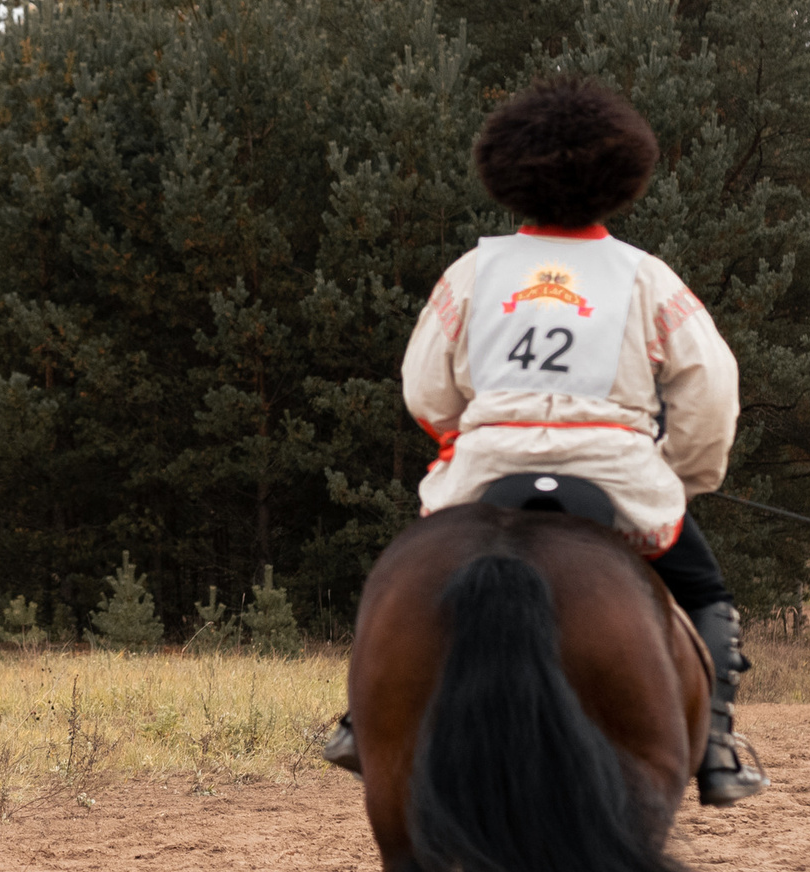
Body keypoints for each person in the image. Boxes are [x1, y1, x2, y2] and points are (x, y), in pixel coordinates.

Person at [327, 76, 767, 804]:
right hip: (615, 475)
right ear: (619, 176)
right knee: (705, 590)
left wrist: (463, 437)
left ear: (511, 172)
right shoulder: (648, 278)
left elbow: (424, 387)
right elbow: (712, 388)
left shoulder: (473, 271)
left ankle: (359, 720)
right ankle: (717, 746)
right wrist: (679, 476)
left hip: (488, 469)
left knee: (401, 583)